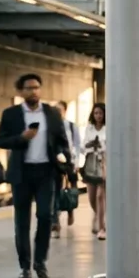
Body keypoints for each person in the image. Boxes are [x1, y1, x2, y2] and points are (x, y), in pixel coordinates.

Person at [0, 74, 72, 278]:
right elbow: (0, 140)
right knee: (22, 221)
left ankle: (40, 262)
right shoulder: (11, 114)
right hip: (21, 174)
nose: (34, 91)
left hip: (45, 172)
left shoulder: (51, 113)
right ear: (21, 92)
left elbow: (61, 140)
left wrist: (65, 159)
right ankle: (25, 266)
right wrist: (21, 138)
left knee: (45, 216)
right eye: (29, 88)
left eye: (37, 87)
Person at [52, 101, 80, 238]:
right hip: (56, 161)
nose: (57, 112)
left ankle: (70, 210)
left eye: (60, 109)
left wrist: (75, 162)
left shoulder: (71, 126)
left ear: (65, 111)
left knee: (71, 188)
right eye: (55, 109)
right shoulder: (51, 126)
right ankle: (55, 221)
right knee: (56, 189)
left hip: (69, 160)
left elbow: (77, 144)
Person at [83, 104, 108, 240]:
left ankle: (102, 227)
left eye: (100, 113)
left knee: (100, 195)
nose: (98, 116)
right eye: (96, 113)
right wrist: (90, 145)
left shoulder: (108, 128)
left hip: (104, 162)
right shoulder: (89, 128)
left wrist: (102, 146)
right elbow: (83, 145)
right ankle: (99, 215)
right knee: (92, 197)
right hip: (91, 162)